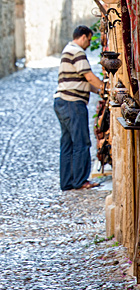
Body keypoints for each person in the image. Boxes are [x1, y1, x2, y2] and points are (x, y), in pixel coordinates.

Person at [54, 25, 104, 191]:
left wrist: (98, 90)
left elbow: (83, 80)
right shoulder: (77, 51)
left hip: (62, 102)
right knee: (81, 142)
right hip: (73, 103)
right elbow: (89, 76)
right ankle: (81, 180)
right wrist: (105, 88)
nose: (89, 44)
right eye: (89, 40)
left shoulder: (68, 50)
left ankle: (67, 182)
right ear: (83, 37)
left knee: (67, 143)